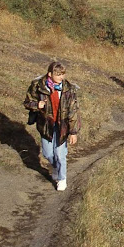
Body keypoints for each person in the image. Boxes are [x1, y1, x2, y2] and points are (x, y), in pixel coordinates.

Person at [23, 61, 81, 191]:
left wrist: (73, 132)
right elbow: (27, 102)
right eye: (58, 74)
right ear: (50, 74)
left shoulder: (69, 89)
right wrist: (36, 105)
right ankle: (56, 167)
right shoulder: (38, 86)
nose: (62, 77)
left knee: (60, 154)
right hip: (45, 125)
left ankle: (62, 179)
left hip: (63, 125)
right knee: (48, 153)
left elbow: (73, 112)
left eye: (63, 74)